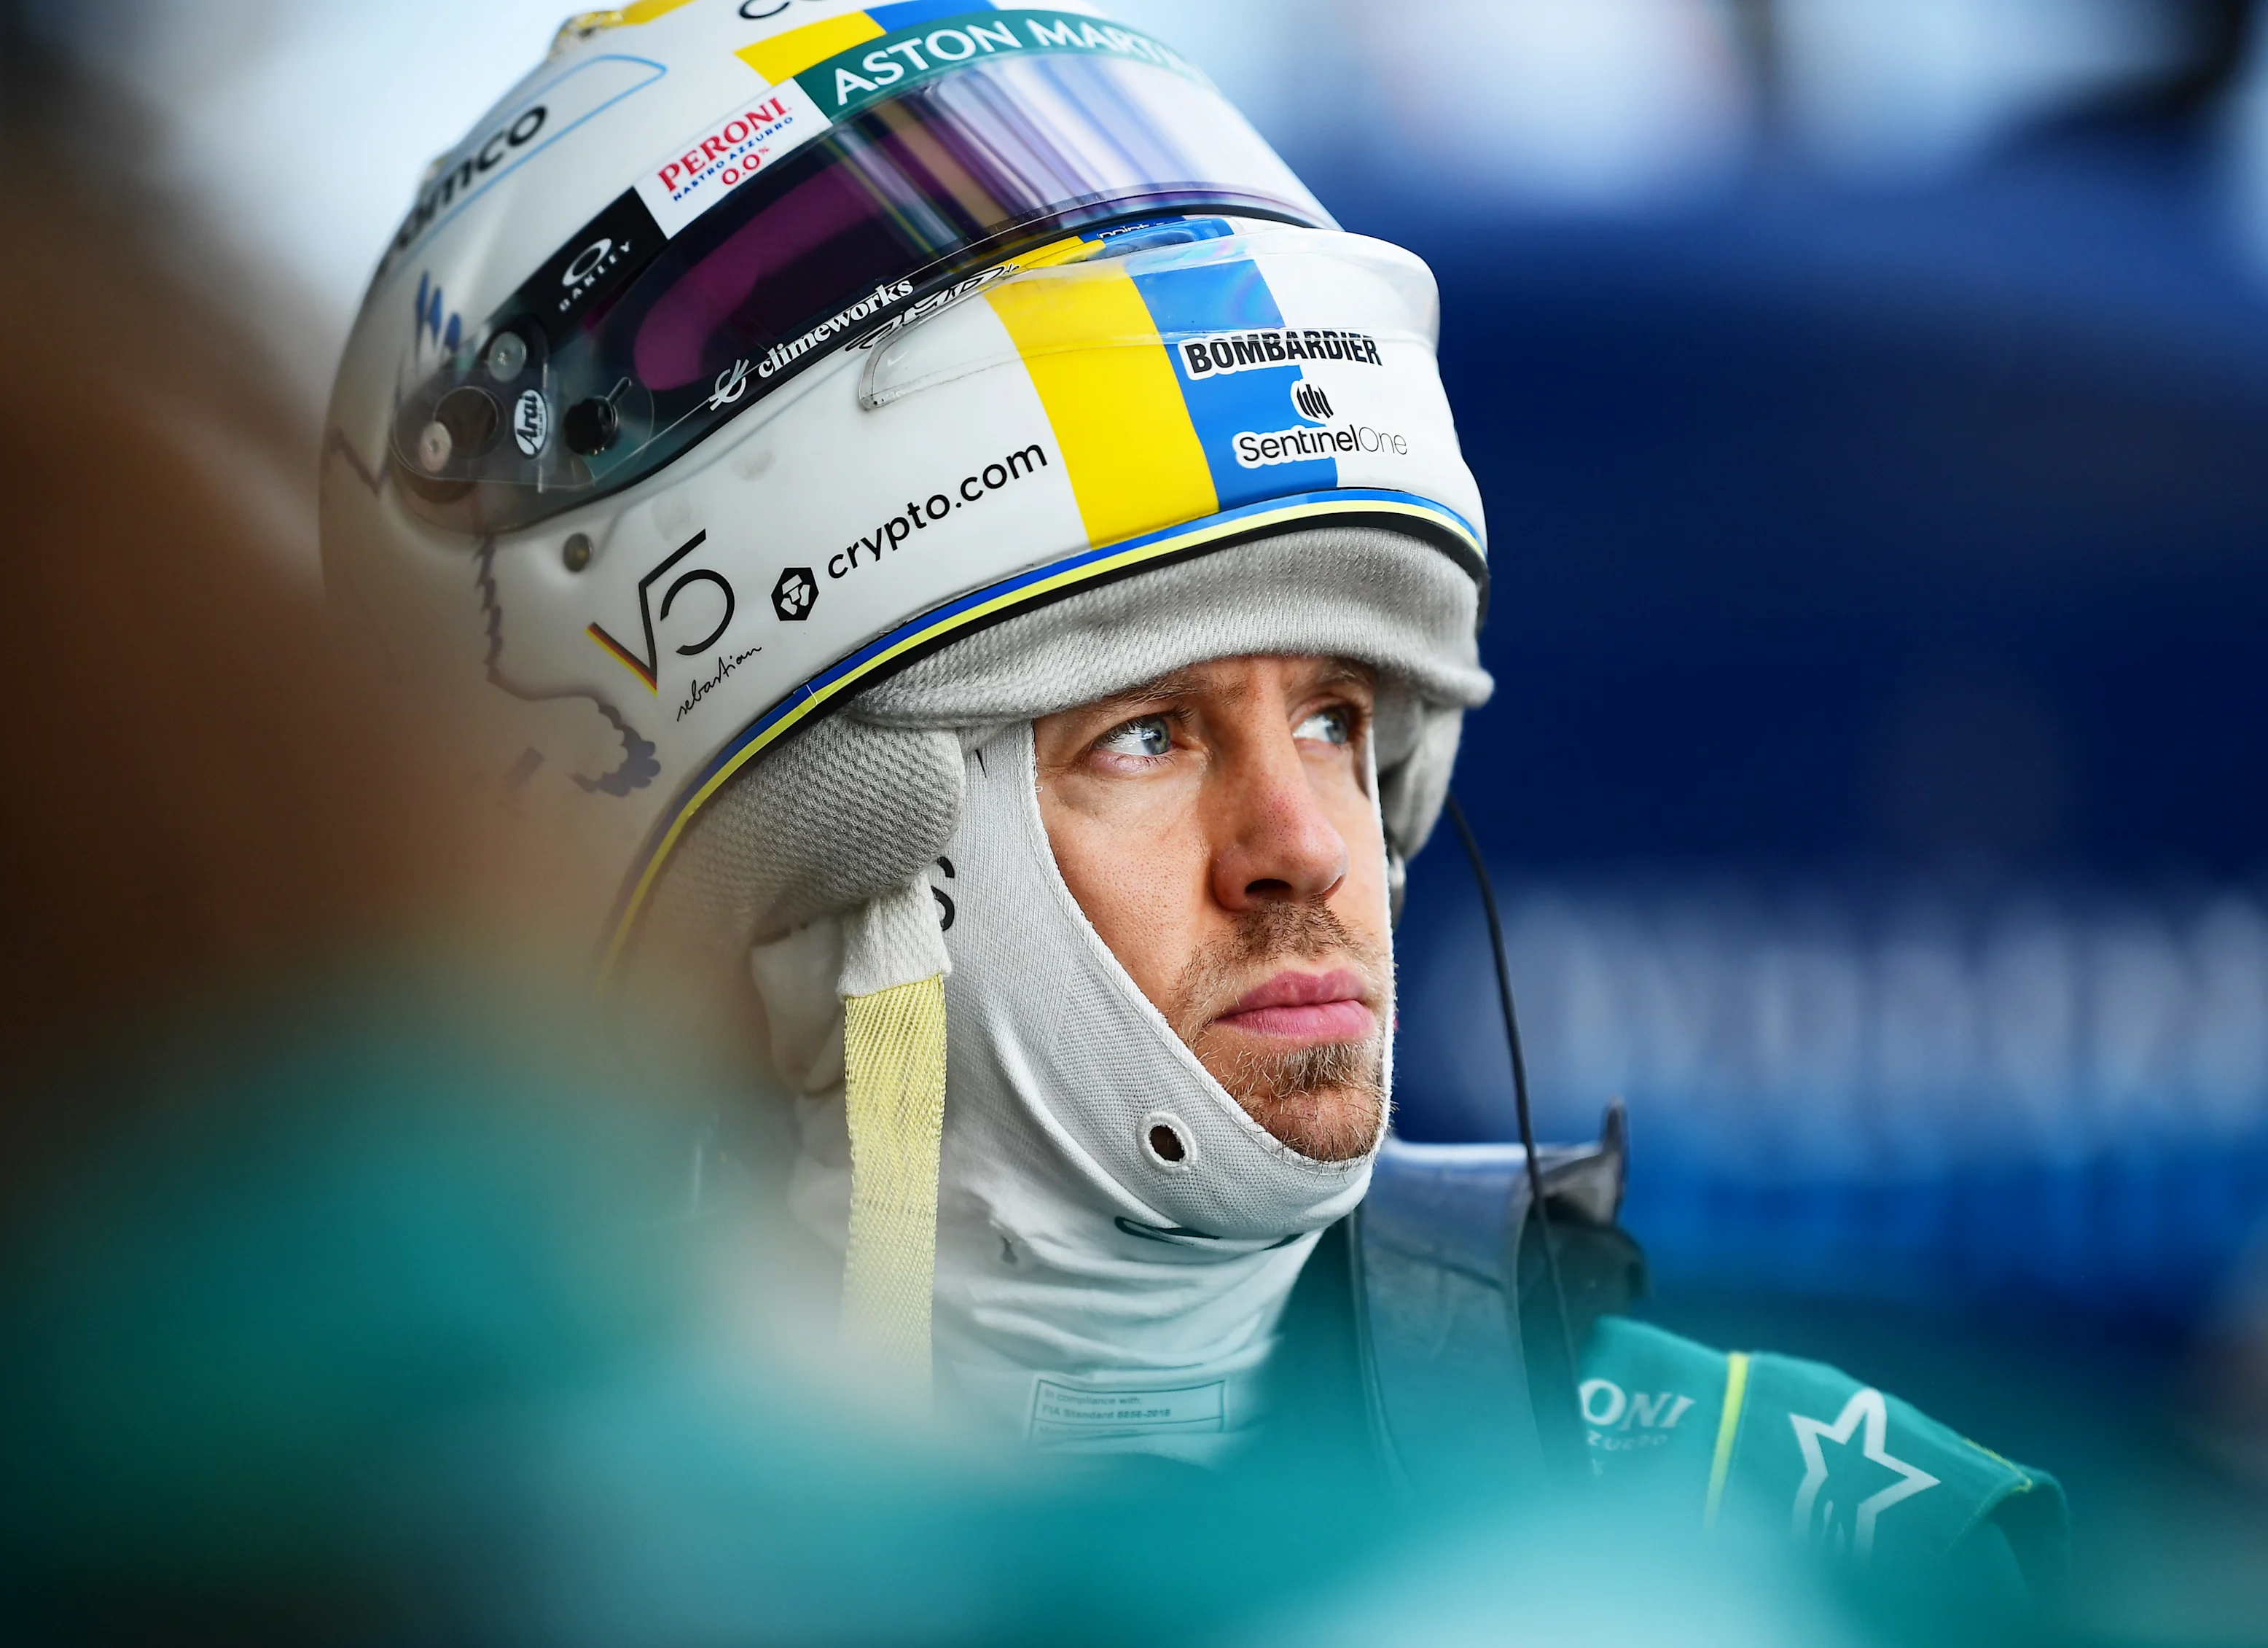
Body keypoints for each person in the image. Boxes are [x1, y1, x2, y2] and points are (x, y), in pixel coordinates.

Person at [323, 1, 2063, 1593]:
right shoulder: (421, 1555)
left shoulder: (1819, 1533)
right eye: (1143, 735)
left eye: (1332, 716)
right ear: (794, 883)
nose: (1310, 849)